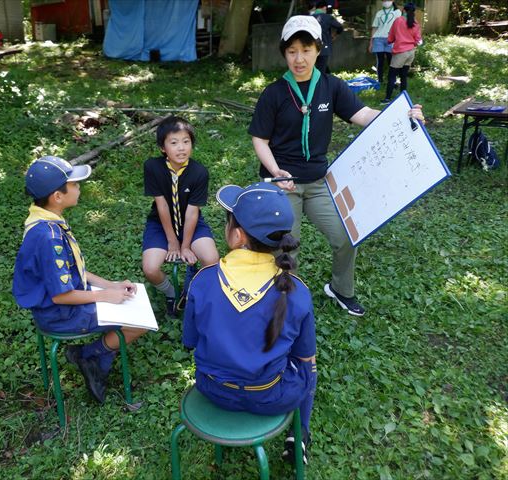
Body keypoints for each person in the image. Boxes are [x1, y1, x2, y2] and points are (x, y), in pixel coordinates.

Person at [248, 15, 424, 316]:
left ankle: (341, 289)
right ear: (285, 54)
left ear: (319, 49)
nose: (299, 58)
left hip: (318, 183)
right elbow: (259, 140)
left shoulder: (330, 86)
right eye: (292, 51)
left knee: (346, 237)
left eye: (306, 49)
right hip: (282, 184)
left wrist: (402, 115)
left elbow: (363, 115)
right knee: (289, 244)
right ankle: (284, 299)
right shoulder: (274, 93)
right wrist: (276, 171)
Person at [183, 182, 317, 464]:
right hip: (271, 396)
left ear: (237, 235)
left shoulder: (203, 280)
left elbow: (190, 341)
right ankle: (299, 435)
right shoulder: (297, 290)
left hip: (213, 390)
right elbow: (305, 357)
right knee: (308, 366)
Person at [12, 156, 146, 404]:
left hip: (66, 303)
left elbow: (72, 273)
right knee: (139, 322)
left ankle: (92, 358)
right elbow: (61, 295)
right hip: (61, 314)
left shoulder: (45, 221)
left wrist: (110, 285)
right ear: (57, 196)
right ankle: (90, 355)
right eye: (74, 184)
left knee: (132, 304)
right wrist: (105, 296)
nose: (79, 187)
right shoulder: (48, 236)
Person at [141, 116, 219, 316]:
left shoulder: (199, 172)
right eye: (174, 143)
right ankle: (171, 293)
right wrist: (172, 242)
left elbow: (193, 211)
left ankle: (196, 293)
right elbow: (162, 205)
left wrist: (185, 245)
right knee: (150, 269)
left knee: (212, 259)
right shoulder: (153, 167)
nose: (181, 148)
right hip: (160, 223)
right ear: (162, 147)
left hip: (191, 224)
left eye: (186, 141)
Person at [382, 2, 422, 104]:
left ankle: (387, 99)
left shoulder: (398, 21)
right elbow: (418, 40)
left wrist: (389, 41)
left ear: (403, 10)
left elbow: (391, 37)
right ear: (414, 12)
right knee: (403, 76)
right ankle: (403, 98)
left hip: (400, 52)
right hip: (411, 52)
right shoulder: (416, 23)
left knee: (391, 76)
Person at [369, 0, 402, 85]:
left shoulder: (397, 12)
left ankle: (392, 81)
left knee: (391, 61)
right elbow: (374, 28)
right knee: (380, 61)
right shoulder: (379, 13)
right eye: (383, 0)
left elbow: (400, 27)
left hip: (391, 39)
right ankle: (379, 80)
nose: (385, 1)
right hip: (378, 39)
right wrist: (371, 43)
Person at [311, 0, 343, 74]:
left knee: (320, 67)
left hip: (311, 47)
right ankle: (321, 84)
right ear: (324, 7)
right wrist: (335, 35)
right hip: (324, 47)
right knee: (321, 69)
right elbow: (340, 27)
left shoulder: (310, 18)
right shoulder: (328, 17)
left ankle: (329, 80)